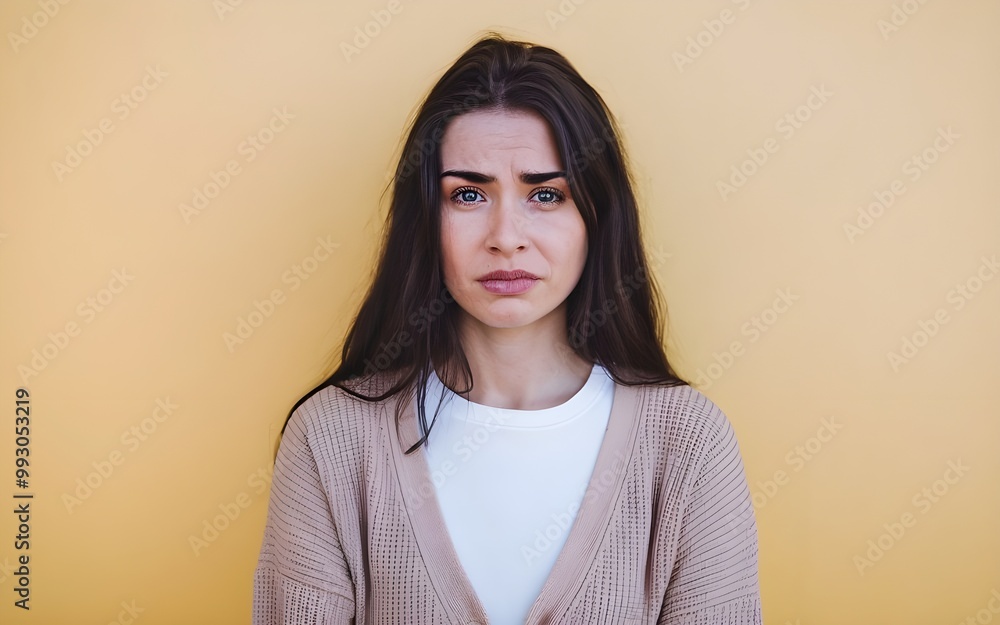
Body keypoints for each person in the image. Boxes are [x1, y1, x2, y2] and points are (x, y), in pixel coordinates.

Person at [252, 32, 761, 625]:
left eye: (545, 194)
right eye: (468, 194)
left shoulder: (689, 444)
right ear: (425, 219)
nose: (506, 236)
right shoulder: (331, 439)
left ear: (596, 215)